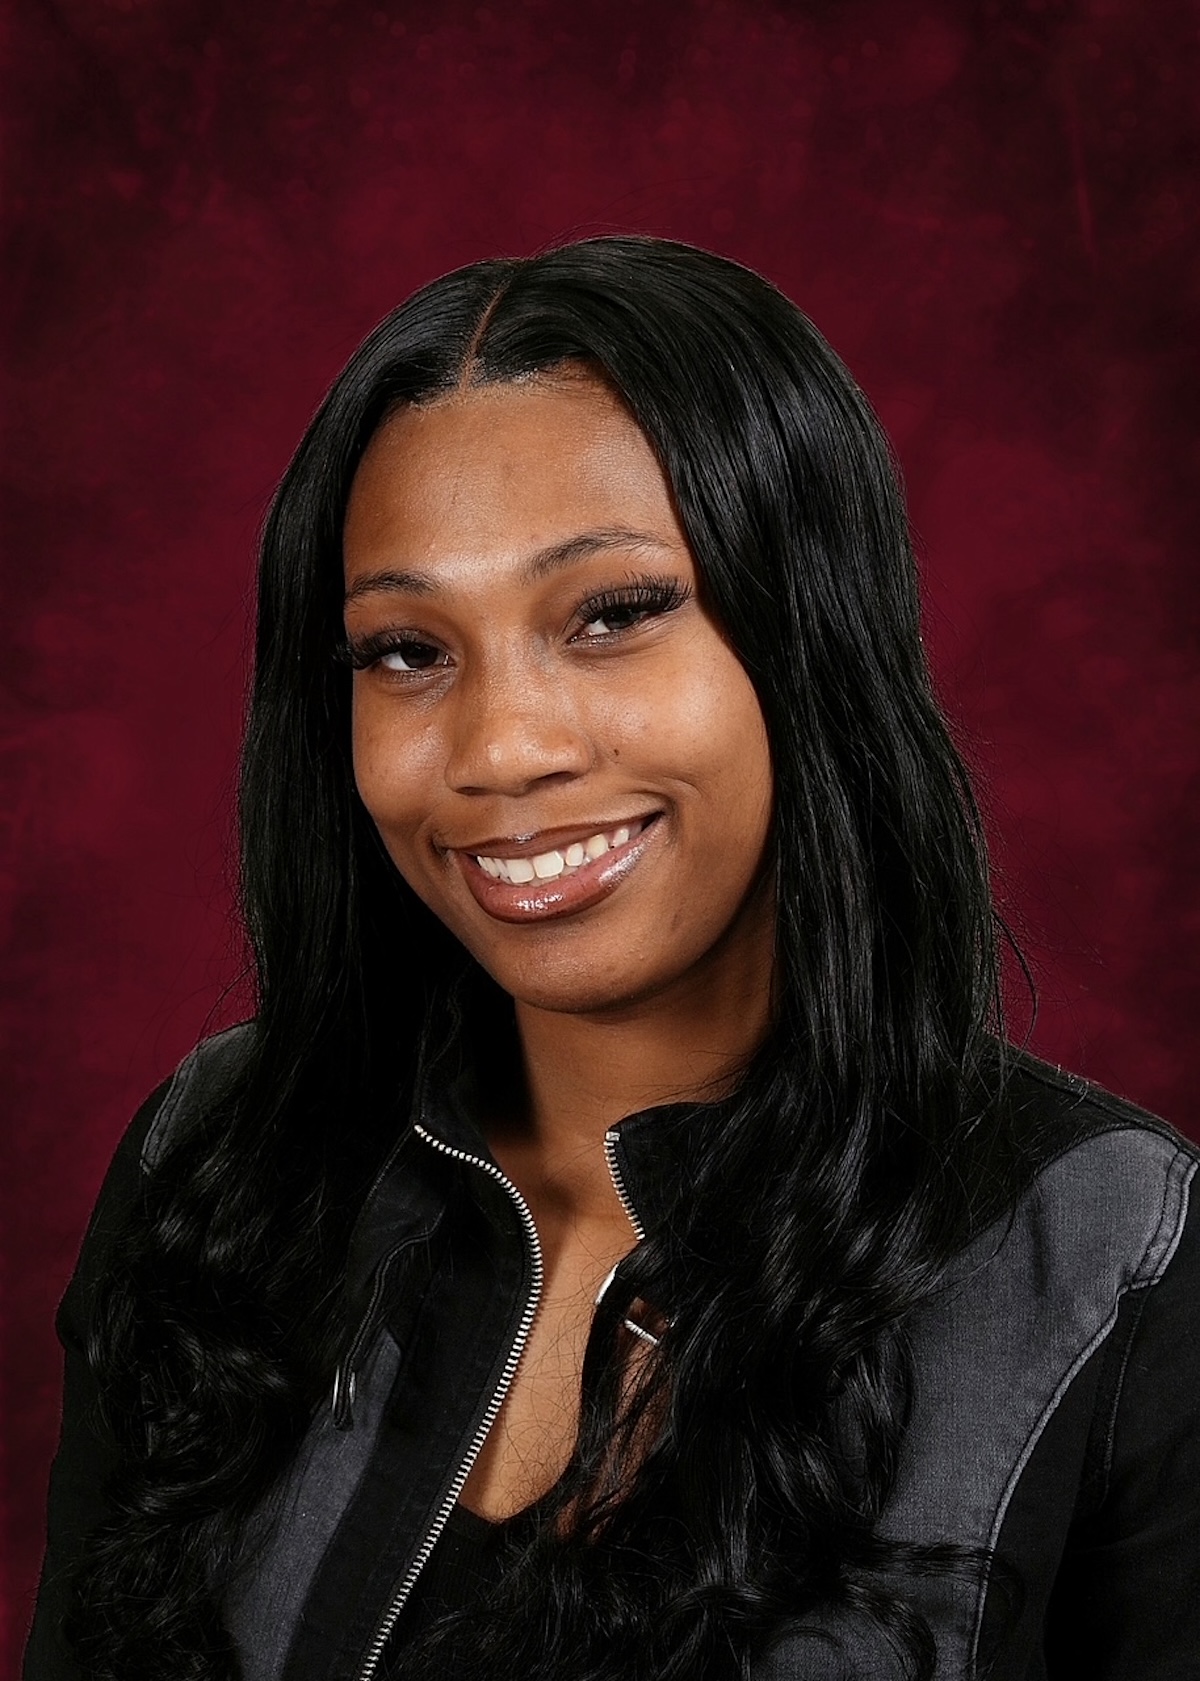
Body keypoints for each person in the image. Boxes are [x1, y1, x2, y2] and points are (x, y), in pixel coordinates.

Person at [25, 237, 1199, 1681]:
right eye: (406, 648)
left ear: (806, 633)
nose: (503, 746)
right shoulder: (218, 1167)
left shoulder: (1113, 1260)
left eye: (614, 614)